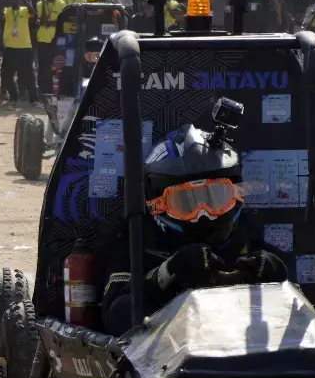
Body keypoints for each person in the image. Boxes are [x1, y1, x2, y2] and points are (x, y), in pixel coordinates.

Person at [99, 100, 288, 335]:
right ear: (157, 205)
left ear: (235, 196)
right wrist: (168, 272)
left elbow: (303, 309)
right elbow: (116, 316)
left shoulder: (243, 233)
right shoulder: (137, 238)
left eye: (216, 198)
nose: (203, 214)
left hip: (241, 354)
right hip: (165, 359)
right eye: (185, 202)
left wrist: (277, 274)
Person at [0, 0, 36, 105]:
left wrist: (25, 0)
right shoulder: (7, 11)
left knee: (28, 74)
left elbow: (33, 13)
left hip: (24, 47)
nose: (14, 0)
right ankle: (13, 97)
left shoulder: (24, 10)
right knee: (6, 75)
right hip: (10, 47)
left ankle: (34, 100)